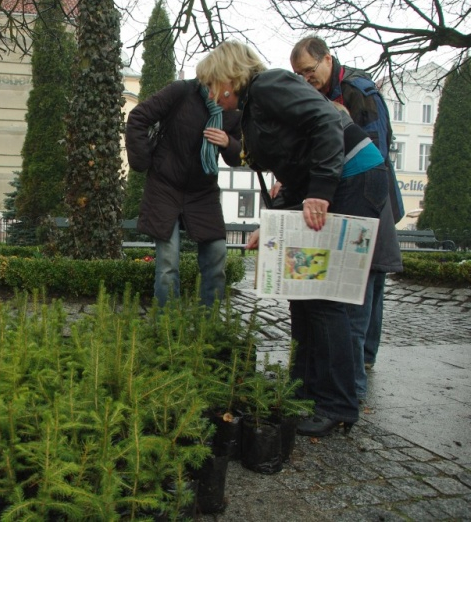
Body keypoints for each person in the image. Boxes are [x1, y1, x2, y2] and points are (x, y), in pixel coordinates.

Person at [203, 40, 386, 436]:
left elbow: (324, 121)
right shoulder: (254, 107)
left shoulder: (268, 85)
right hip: (332, 181)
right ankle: (303, 390)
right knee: (302, 293)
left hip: (353, 177)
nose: (211, 93)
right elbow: (291, 170)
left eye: (211, 84)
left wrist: (320, 189)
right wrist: (270, 228)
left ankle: (338, 404)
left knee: (325, 297)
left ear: (228, 77)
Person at [290, 36, 404, 385]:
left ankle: (361, 362)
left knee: (369, 274)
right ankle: (359, 361)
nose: (306, 80)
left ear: (327, 59)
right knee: (368, 274)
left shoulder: (359, 92)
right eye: (299, 75)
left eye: (309, 71)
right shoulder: (320, 93)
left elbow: (376, 148)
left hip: (368, 192)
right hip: (347, 188)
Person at [124, 58, 244, 307]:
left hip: (203, 191)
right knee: (168, 262)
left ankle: (208, 326)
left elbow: (238, 156)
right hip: (165, 186)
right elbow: (137, 118)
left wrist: (228, 143)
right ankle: (168, 326)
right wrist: (144, 161)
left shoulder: (232, 108)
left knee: (217, 253)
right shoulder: (181, 92)